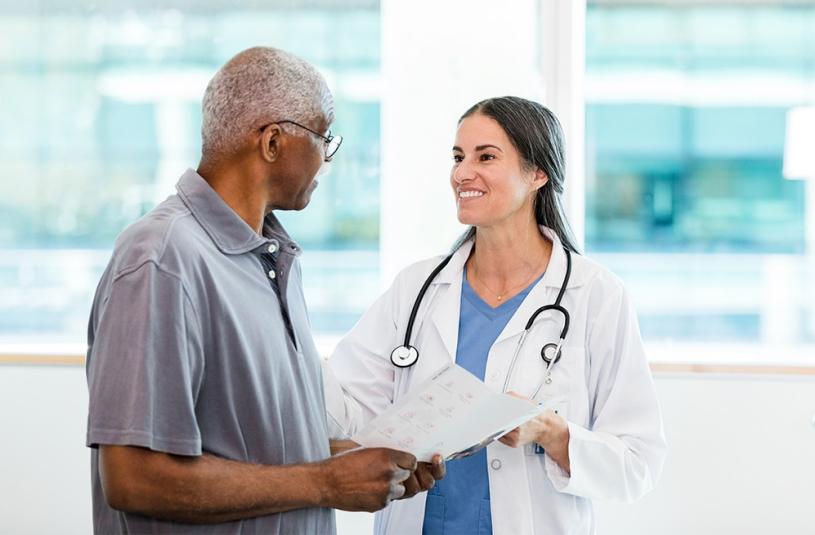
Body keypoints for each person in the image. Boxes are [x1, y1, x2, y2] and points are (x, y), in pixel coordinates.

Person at [84, 46, 443, 534]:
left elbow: (258, 449)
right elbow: (135, 479)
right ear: (273, 142)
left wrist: (357, 463)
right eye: (324, 138)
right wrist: (325, 481)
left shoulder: (270, 258)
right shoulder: (162, 259)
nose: (327, 158)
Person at [324, 96, 666, 534]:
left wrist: (553, 433)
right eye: (458, 157)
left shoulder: (595, 296)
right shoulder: (417, 287)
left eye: (486, 157)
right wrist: (285, 344)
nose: (462, 172)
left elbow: (638, 464)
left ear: (538, 173)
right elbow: (349, 414)